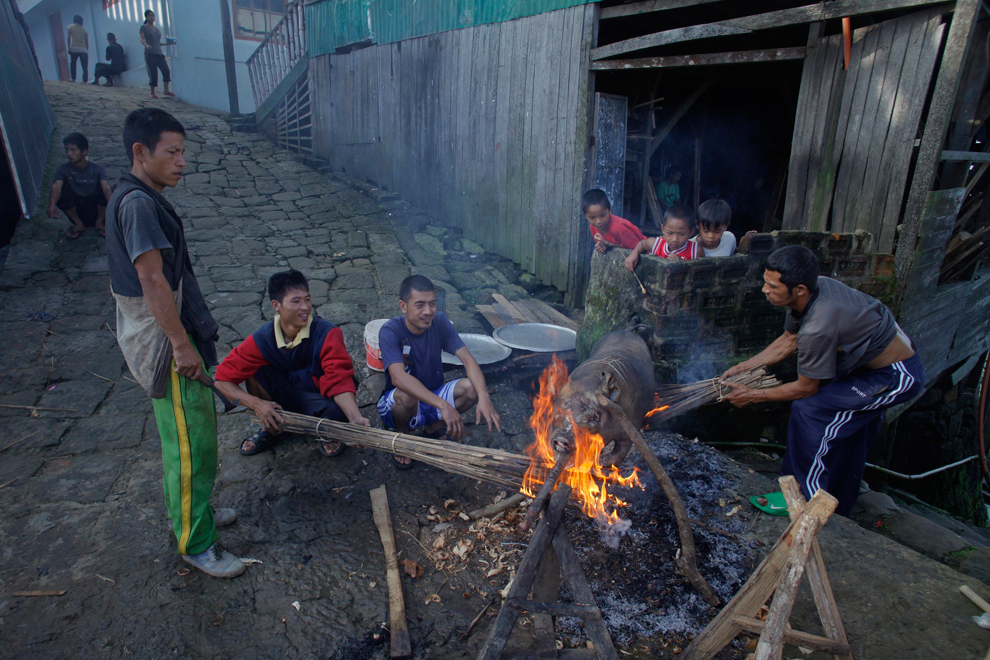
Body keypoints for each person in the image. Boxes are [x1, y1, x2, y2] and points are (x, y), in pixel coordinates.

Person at [106, 107, 243, 578]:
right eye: (172, 152)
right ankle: (196, 543)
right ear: (140, 152)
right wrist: (182, 347)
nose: (182, 161)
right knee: (190, 447)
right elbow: (152, 281)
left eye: (184, 151)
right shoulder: (138, 204)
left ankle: (192, 515)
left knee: (190, 441)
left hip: (176, 341)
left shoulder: (141, 197)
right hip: (169, 349)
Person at [721, 246, 924, 516]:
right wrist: (744, 366)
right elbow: (788, 340)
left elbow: (806, 389)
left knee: (811, 411)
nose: (764, 290)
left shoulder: (818, 328)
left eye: (772, 286)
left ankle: (801, 498)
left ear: (800, 289)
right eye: (765, 282)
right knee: (848, 434)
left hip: (895, 376)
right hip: (864, 368)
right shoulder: (815, 290)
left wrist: (753, 395)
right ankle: (838, 503)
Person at [214, 269, 371, 457]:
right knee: (255, 372)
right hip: (281, 396)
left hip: (316, 396)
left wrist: (355, 418)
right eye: (296, 301)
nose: (304, 307)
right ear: (276, 305)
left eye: (307, 299)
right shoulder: (262, 339)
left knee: (338, 411)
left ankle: (327, 432)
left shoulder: (327, 333)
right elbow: (222, 380)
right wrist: (257, 404)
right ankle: (272, 428)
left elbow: (339, 380)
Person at [377, 275, 501, 468]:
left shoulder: (440, 322)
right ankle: (402, 438)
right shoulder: (390, 331)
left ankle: (432, 428)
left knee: (472, 388)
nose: (428, 311)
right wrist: (443, 405)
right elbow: (398, 377)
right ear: (403, 306)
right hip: (398, 404)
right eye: (420, 305)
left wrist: (484, 397)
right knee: (405, 395)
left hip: (434, 394)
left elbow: (468, 359)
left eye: (432, 304)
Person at [47, 133, 112, 239]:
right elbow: (56, 186)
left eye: (73, 150)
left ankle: (99, 223)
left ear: (84, 152)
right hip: (78, 208)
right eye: (67, 150)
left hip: (96, 208)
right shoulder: (63, 169)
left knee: (109, 190)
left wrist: (113, 206)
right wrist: (52, 204)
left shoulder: (97, 169)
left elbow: (106, 187)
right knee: (62, 193)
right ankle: (79, 224)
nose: (69, 153)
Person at [624, 204, 701, 271]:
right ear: (663, 229)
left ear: (691, 232)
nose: (674, 239)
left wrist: (682, 265)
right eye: (670, 233)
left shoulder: (695, 250)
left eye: (681, 234)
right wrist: (634, 254)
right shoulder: (657, 244)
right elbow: (642, 244)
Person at [582, 188, 646, 254]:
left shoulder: (618, 227)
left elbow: (636, 246)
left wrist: (607, 244)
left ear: (610, 210)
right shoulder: (593, 227)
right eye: (592, 218)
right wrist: (602, 246)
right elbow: (604, 245)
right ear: (585, 215)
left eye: (603, 215)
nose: (598, 221)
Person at [140, 10, 173, 99]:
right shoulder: (144, 27)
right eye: (150, 16)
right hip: (150, 54)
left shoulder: (157, 30)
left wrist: (167, 44)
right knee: (153, 73)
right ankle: (152, 92)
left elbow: (157, 43)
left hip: (159, 54)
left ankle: (166, 90)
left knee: (166, 71)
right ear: (146, 17)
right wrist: (146, 45)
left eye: (153, 16)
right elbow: (142, 39)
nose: (152, 17)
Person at [66, 15, 88, 83]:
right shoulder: (84, 30)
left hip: (74, 48)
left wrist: (69, 47)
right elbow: (86, 41)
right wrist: (87, 50)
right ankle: (85, 81)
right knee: (84, 66)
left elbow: (68, 38)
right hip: (83, 49)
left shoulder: (71, 27)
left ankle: (73, 79)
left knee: (73, 64)